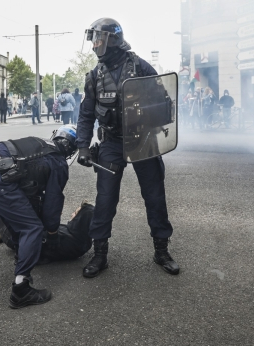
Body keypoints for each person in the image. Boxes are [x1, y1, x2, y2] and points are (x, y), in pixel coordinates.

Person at [76, 17, 179, 278]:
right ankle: (100, 255)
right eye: (94, 40)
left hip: (144, 140)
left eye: (99, 39)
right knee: (105, 199)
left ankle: (161, 250)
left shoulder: (140, 67)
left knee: (154, 196)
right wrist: (83, 147)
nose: (95, 45)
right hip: (111, 142)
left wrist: (149, 115)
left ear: (112, 39)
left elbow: (165, 102)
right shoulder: (94, 76)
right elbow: (86, 114)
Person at [0, 125, 78, 308]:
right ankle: (21, 290)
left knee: (17, 213)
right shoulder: (58, 162)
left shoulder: (40, 143)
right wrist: (51, 232)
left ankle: (23, 254)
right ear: (71, 148)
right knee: (32, 227)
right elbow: (53, 202)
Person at [0, 200, 94, 264]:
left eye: (75, 213)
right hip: (26, 238)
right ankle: (1, 231)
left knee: (1, 203)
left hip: (16, 238)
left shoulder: (68, 239)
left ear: (81, 220)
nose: (72, 214)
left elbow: (35, 235)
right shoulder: (83, 239)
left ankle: (2, 233)